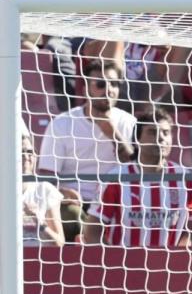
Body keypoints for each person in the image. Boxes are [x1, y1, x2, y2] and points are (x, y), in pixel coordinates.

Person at [82, 108, 192, 247]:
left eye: (166, 133)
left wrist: (179, 256)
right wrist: (111, 261)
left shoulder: (184, 178)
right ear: (137, 140)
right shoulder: (116, 178)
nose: (161, 138)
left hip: (170, 265)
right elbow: (92, 231)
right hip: (124, 264)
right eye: (152, 132)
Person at [37, 60, 136, 210]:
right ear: (85, 90)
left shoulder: (129, 122)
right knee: (72, 214)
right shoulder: (62, 124)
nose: (109, 90)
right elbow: (46, 178)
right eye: (101, 84)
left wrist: (114, 135)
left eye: (114, 84)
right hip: (74, 202)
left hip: (115, 202)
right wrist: (62, 193)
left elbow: (137, 170)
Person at [20, 117, 65, 247]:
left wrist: (38, 223)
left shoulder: (45, 190)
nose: (26, 157)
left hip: (41, 260)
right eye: (20, 152)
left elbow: (59, 243)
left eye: (29, 152)